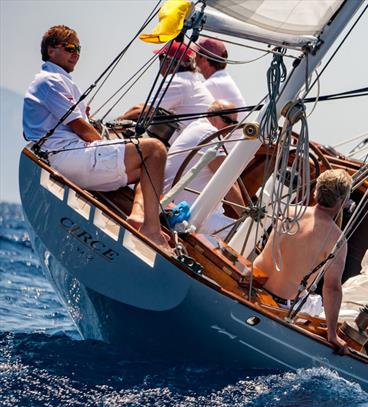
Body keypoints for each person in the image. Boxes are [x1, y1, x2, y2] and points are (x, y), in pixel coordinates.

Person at [23, 25, 169, 250]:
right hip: (68, 157)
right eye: (70, 47)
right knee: (155, 150)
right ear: (51, 51)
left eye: (78, 48)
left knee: (147, 170)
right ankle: (152, 230)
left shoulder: (58, 80)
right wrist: (105, 143)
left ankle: (140, 218)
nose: (76, 53)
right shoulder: (49, 80)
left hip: (68, 156)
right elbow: (80, 128)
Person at [253, 169, 352, 353]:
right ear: (343, 202)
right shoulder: (337, 240)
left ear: (315, 191)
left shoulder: (290, 211)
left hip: (252, 281)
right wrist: (332, 335)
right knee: (315, 303)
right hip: (278, 302)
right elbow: (331, 288)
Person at [163, 99, 246, 235]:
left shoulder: (197, 128)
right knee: (246, 237)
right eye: (226, 120)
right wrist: (247, 216)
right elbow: (225, 180)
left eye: (234, 123)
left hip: (189, 208)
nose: (230, 126)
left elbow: (229, 177)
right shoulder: (208, 133)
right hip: (187, 212)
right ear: (210, 115)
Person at [120, 41, 213, 143]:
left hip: (189, 148)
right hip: (200, 143)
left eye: (160, 57)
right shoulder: (191, 79)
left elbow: (145, 112)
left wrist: (115, 122)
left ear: (168, 61)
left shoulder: (177, 80)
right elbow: (142, 108)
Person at [194, 38, 246, 117]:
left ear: (204, 59)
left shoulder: (213, 84)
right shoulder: (222, 79)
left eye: (195, 54)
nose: (192, 57)